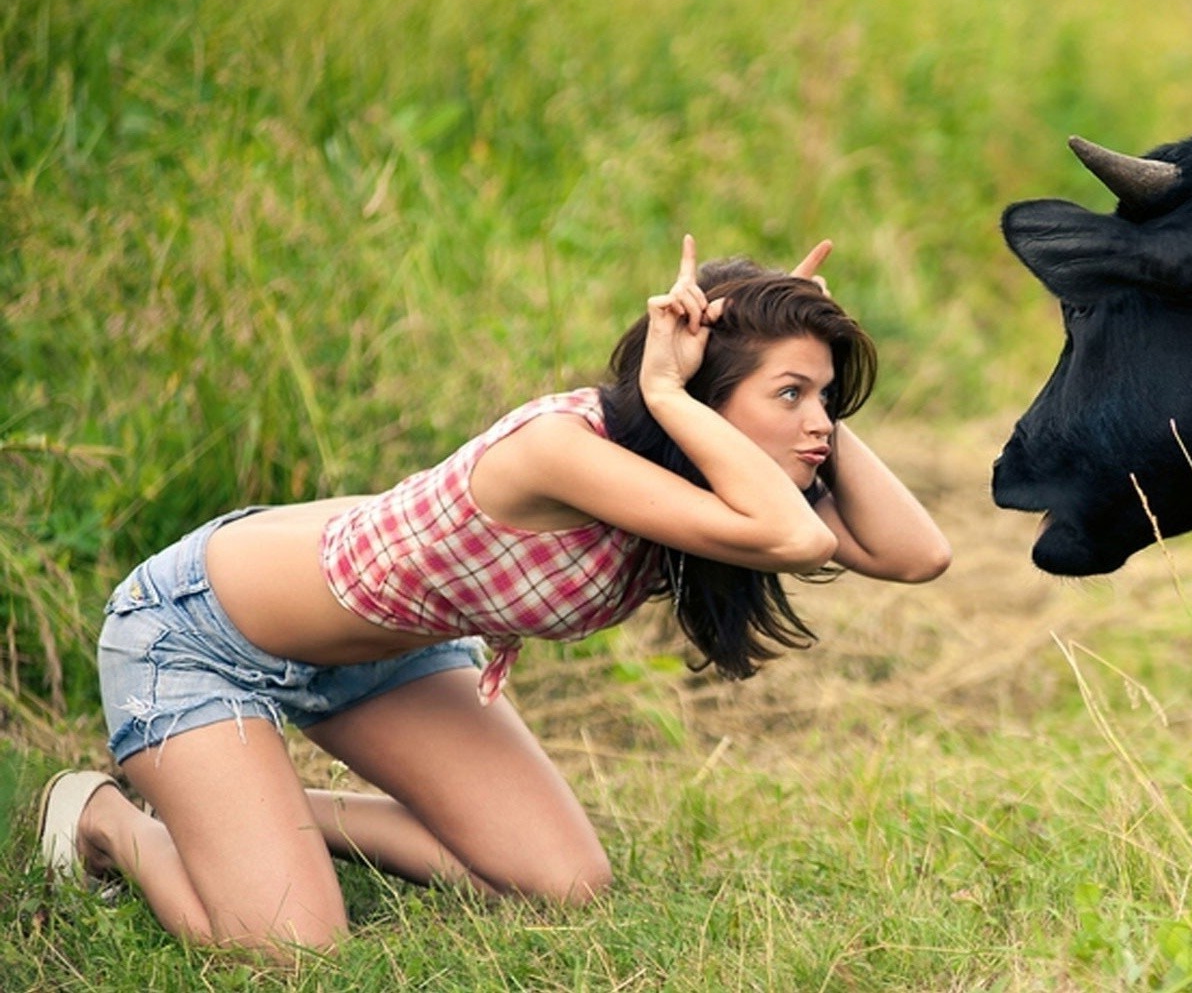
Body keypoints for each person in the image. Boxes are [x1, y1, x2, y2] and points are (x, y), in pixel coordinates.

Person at [35, 236, 950, 957]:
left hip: (391, 656)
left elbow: (916, 556)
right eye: (790, 395)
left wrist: (806, 392)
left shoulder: (722, 476)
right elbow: (796, 540)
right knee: (286, 952)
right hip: (201, 637)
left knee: (563, 883)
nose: (818, 424)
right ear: (706, 397)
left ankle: (261, 807)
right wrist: (671, 391)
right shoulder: (568, 449)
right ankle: (108, 816)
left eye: (824, 399)